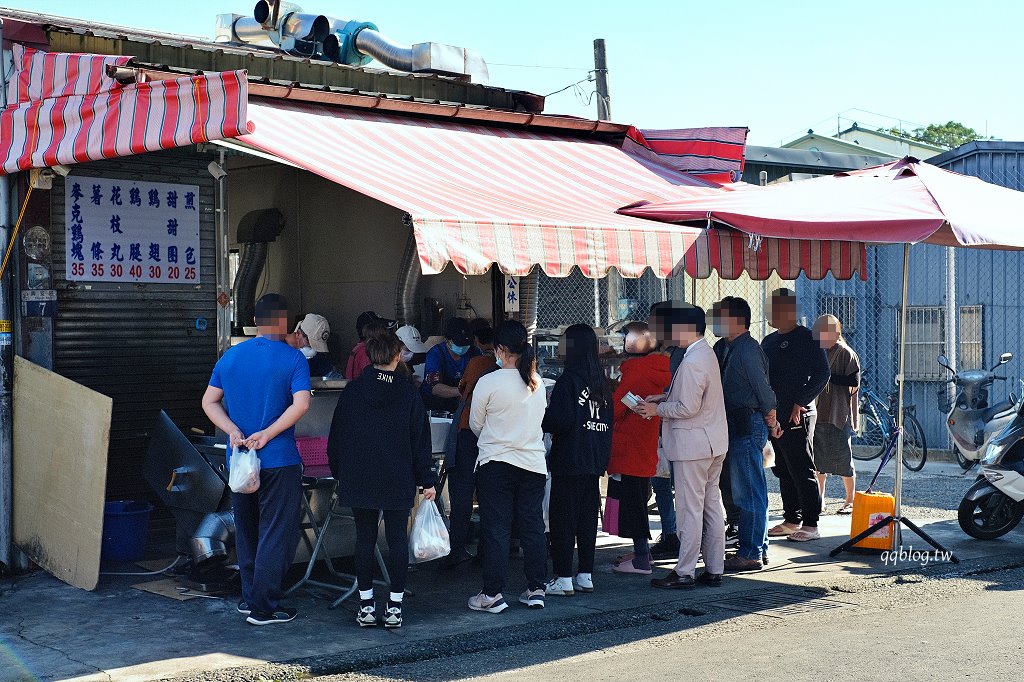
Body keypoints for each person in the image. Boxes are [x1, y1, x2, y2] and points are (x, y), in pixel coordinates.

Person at [201, 293, 311, 625]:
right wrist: (269, 433)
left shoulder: (231, 357)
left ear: (256, 321)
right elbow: (302, 404)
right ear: (284, 322)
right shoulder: (293, 359)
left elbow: (208, 402)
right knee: (275, 532)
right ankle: (264, 609)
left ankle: (250, 599)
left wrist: (233, 430)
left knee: (247, 530)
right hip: (278, 460)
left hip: (241, 462)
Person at [327, 325, 438, 629]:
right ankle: (395, 608)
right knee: (397, 540)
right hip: (398, 477)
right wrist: (427, 479)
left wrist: (340, 472)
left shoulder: (352, 390)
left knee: (364, 539)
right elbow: (420, 441)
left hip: (359, 477)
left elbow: (336, 437)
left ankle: (365, 606)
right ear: (396, 356)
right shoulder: (408, 393)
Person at [636, 304, 728, 589]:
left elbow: (688, 407)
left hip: (693, 444)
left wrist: (657, 410)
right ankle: (714, 568)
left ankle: (685, 571)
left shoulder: (691, 360)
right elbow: (692, 397)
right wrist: (663, 398)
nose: (671, 332)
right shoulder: (705, 352)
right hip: (712, 442)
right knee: (711, 507)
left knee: (689, 509)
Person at [468, 320, 548, 613]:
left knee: (497, 528)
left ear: (500, 349)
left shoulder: (488, 381)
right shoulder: (536, 381)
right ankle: (536, 589)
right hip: (533, 464)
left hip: (497, 463)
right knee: (532, 527)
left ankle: (492, 594)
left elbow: (476, 423)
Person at [542, 324, 613, 595]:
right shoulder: (603, 383)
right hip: (594, 459)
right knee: (586, 519)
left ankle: (563, 577)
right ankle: (585, 574)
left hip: (570, 458)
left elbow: (558, 421)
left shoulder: (568, 381)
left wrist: (544, 415)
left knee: (563, 520)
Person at [713, 296, 779, 572]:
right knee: (751, 489)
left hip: (748, 421)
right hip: (734, 422)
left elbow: (763, 389)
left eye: (720, 316)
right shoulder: (724, 347)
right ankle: (757, 548)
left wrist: (772, 417)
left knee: (748, 491)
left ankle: (751, 552)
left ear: (736, 321)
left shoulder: (748, 349)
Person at [762, 289, 831, 543]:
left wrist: (800, 402)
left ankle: (811, 523)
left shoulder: (808, 338)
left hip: (798, 414)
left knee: (802, 467)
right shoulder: (768, 341)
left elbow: (823, 373)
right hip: (774, 413)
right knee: (782, 468)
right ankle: (792, 519)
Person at [609, 322, 671, 575]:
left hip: (629, 445)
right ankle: (640, 552)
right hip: (644, 443)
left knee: (633, 502)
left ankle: (642, 558)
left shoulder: (635, 372)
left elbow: (615, 409)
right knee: (638, 498)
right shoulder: (657, 368)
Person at [441, 323, 498, 569]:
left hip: (468, 432)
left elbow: (463, 393)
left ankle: (457, 549)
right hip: (495, 435)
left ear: (476, 340)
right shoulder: (511, 367)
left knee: (462, 494)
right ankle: (488, 550)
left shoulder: (476, 364)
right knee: (490, 496)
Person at [812, 314, 861, 515]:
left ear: (836, 332)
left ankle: (850, 499)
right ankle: (819, 498)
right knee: (817, 458)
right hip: (818, 410)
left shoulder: (845, 353)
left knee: (843, 457)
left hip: (838, 412)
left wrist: (829, 378)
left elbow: (854, 381)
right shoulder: (818, 352)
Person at [709, 302, 744, 547]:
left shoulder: (747, 348)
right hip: (719, 417)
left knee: (738, 475)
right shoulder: (719, 346)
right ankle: (732, 522)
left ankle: (739, 526)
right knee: (723, 475)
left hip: (740, 419)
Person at [421, 317, 482, 413]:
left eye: (465, 344)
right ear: (447, 340)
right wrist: (460, 391)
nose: (462, 347)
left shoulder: (474, 352)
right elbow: (435, 387)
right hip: (435, 405)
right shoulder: (436, 354)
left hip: (462, 404)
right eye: (459, 343)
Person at [345, 311, 395, 381]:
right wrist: (395, 379)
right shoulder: (365, 351)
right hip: (363, 390)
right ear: (371, 330)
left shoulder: (362, 348)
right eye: (383, 329)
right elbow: (374, 376)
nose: (387, 333)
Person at [292, 313, 334, 377]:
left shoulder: (318, 358)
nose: (312, 348)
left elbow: (333, 376)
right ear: (298, 333)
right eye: (309, 343)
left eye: (317, 345)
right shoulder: (279, 351)